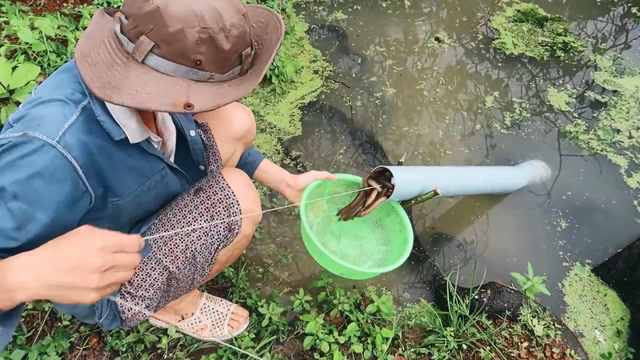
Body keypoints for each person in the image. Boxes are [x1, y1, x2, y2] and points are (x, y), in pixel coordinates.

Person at [0, 0, 335, 350]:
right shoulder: (49, 153)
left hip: (132, 198)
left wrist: (285, 181)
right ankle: (174, 303)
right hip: (114, 274)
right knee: (242, 199)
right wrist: (25, 277)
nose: (217, 100)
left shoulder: (142, 79)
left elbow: (207, 128)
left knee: (237, 122)